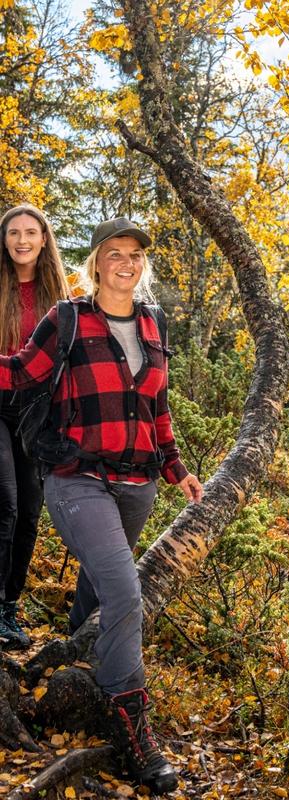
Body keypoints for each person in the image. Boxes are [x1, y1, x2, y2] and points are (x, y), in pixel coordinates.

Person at [0, 217, 203, 793]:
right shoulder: (66, 319)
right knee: (123, 590)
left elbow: (156, 409)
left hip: (138, 483)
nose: (126, 262)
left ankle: (75, 668)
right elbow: (18, 374)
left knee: (98, 589)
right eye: (114, 253)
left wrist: (177, 468)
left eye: (135, 254)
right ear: (95, 262)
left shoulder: (153, 322)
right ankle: (135, 730)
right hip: (76, 477)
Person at [0, 204, 69, 649]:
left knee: (29, 512)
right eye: (13, 234)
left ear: (44, 239)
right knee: (4, 502)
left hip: (36, 412)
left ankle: (9, 607)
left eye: (31, 232)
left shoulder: (60, 295)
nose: (22, 240)